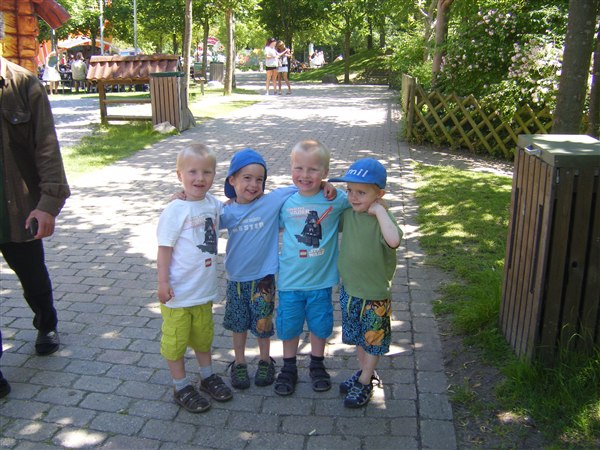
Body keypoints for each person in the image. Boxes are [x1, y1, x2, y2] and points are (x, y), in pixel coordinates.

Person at [0, 55, 71, 399]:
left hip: (16, 206)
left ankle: (46, 323)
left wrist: (47, 205)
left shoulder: (23, 84)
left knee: (33, 278)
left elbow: (46, 147)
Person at [156, 143, 233, 413]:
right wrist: (162, 282)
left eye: (207, 172)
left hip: (204, 293)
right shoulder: (174, 210)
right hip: (178, 295)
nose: (200, 178)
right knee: (176, 342)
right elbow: (164, 249)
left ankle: (207, 376)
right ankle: (180, 386)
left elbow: (234, 211)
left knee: (203, 338)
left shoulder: (213, 204)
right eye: (192, 172)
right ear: (179, 175)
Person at [274, 139, 350, 396]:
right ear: (291, 168)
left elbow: (359, 199)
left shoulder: (336, 200)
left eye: (313, 170)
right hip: (290, 282)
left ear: (325, 172)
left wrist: (330, 186)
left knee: (320, 326)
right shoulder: (285, 201)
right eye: (299, 168)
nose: (305, 175)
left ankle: (317, 364)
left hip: (321, 282)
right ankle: (288, 367)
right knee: (289, 327)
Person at [329, 158, 402, 408]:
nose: (353, 197)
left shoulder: (383, 218)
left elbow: (394, 241)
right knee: (360, 339)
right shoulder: (349, 213)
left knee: (373, 341)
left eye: (361, 192)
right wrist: (328, 189)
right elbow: (328, 210)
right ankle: (365, 373)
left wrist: (381, 211)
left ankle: (364, 381)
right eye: (350, 190)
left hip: (375, 295)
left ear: (379, 194)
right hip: (350, 290)